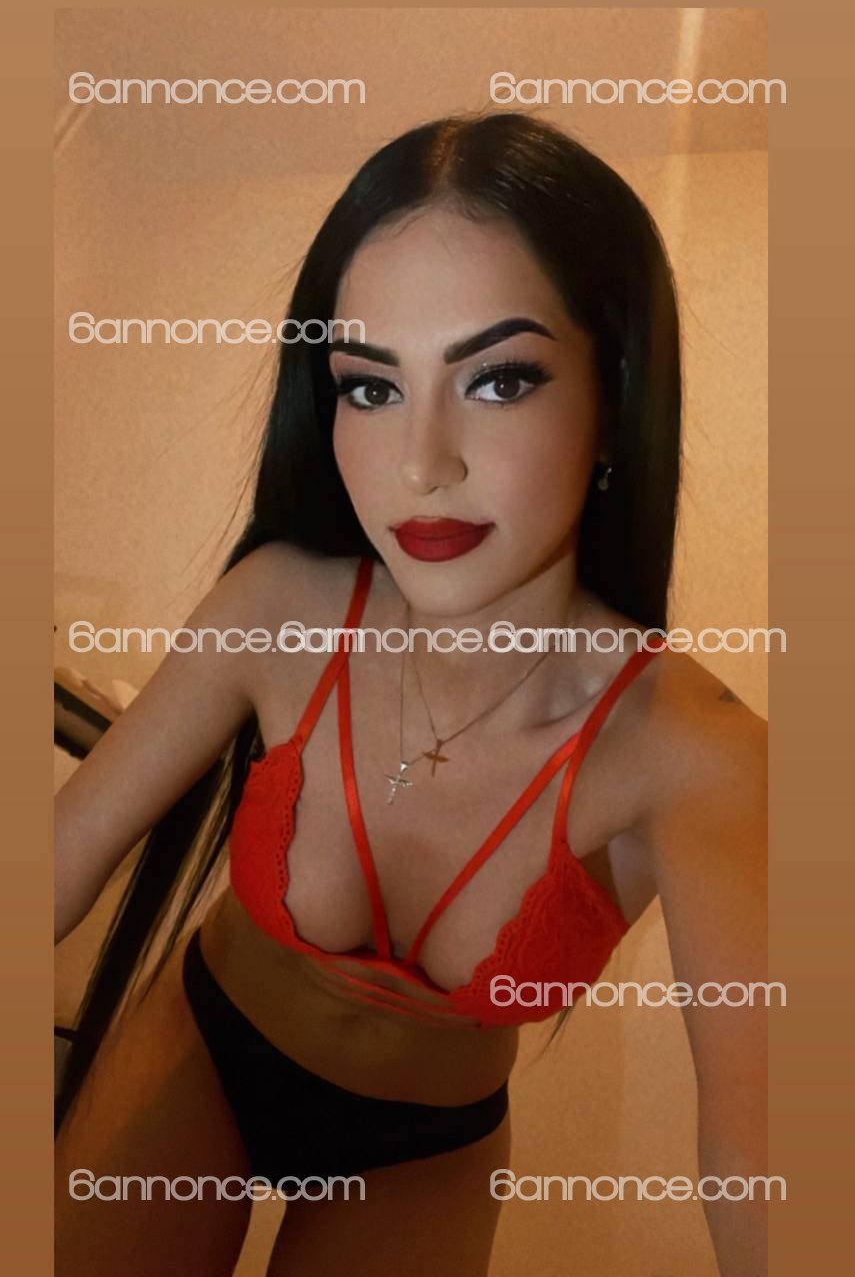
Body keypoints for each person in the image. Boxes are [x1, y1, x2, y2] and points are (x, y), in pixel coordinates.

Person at [54, 113, 767, 1276]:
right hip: (205, 1052)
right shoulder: (279, 603)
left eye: (499, 378)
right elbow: (60, 852)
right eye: (371, 387)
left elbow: (762, 1154)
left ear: (615, 394)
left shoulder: (698, 754)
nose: (422, 463)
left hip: (424, 1152)